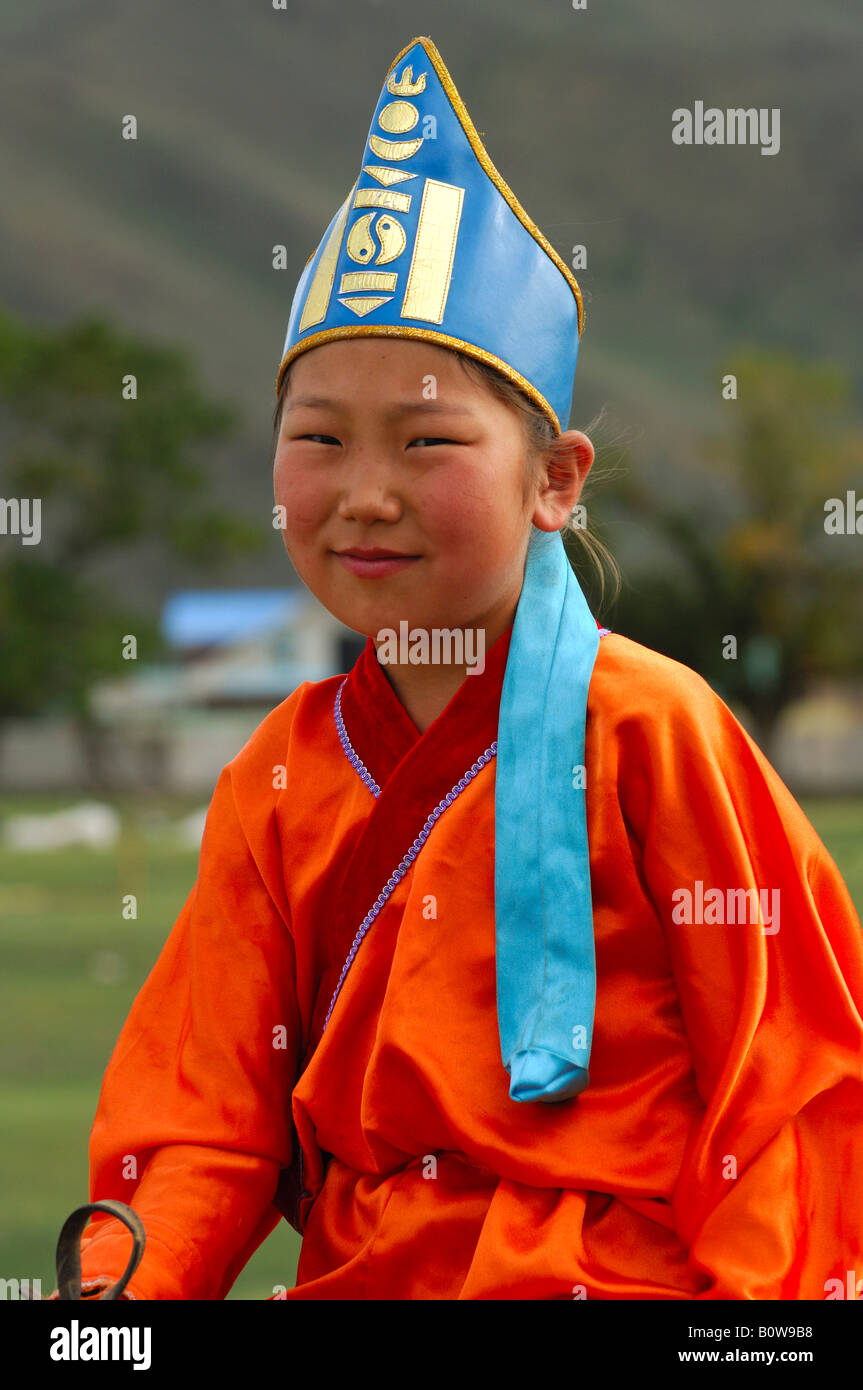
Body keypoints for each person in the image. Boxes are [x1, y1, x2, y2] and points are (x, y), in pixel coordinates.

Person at [50, 34, 862, 1302]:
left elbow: (786, 1080)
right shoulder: (276, 776)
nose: (364, 494)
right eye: (317, 437)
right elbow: (200, 1118)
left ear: (554, 479)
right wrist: (115, 1305)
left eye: (426, 439)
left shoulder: (654, 727)